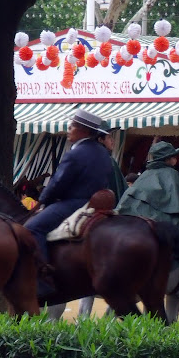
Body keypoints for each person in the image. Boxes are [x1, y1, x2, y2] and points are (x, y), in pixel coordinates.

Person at [24, 109, 112, 292]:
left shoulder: (75, 153)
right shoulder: (103, 153)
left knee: (32, 228)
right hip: (95, 204)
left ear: (83, 131)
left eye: (71, 126)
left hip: (73, 203)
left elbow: (58, 183)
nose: (68, 129)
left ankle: (42, 281)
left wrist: (42, 200)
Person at [116, 141, 179, 267]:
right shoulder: (171, 174)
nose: (176, 159)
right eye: (173, 156)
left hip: (132, 219)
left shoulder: (145, 175)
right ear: (168, 159)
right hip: (160, 223)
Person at [97, 122, 128, 203]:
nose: (112, 141)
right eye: (109, 137)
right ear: (100, 140)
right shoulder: (109, 161)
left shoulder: (85, 157)